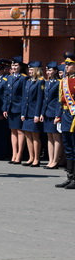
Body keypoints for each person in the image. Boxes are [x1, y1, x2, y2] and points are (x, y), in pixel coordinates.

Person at [55, 52, 75, 190]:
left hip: (74, 117)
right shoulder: (64, 80)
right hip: (66, 115)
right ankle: (70, 176)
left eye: (69, 64)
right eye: (66, 64)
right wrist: (58, 116)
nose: (66, 66)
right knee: (68, 148)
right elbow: (59, 100)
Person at [20, 61, 44, 167]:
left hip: (34, 112)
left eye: (31, 69)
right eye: (29, 69)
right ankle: (31, 157)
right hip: (27, 112)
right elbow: (25, 99)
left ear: (36, 70)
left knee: (35, 136)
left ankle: (36, 158)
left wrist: (37, 114)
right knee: (27, 135)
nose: (29, 71)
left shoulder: (40, 82)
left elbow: (40, 99)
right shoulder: (28, 81)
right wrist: (23, 113)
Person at [4, 57, 27, 164]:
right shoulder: (10, 77)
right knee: (13, 131)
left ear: (20, 67)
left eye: (16, 66)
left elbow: (24, 96)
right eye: (13, 66)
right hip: (10, 108)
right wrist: (5, 108)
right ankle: (14, 154)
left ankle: (19, 155)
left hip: (18, 108)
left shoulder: (23, 78)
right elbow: (6, 94)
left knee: (20, 132)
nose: (14, 68)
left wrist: (23, 111)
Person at [41, 61, 62, 169]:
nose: (48, 72)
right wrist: (42, 113)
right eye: (47, 70)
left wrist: (58, 115)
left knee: (56, 137)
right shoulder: (47, 82)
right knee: (49, 137)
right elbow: (45, 100)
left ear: (55, 71)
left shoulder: (59, 82)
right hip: (47, 112)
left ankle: (55, 160)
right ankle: (50, 160)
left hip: (54, 112)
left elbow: (59, 100)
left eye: (50, 70)